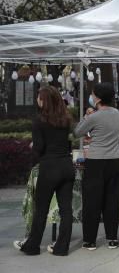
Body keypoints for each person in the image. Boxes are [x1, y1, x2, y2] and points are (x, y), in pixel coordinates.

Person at [14, 86, 75, 256]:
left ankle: (33, 246)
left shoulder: (39, 121)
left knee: (41, 209)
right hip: (67, 166)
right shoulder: (66, 119)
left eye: (39, 97)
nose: (37, 100)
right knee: (66, 210)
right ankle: (62, 248)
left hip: (49, 168)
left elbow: (39, 148)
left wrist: (34, 145)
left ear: (44, 101)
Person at [74, 82, 119, 251]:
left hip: (95, 162)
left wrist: (86, 117)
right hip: (114, 162)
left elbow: (77, 132)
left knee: (92, 201)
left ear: (98, 98)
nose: (91, 97)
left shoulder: (94, 116)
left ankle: (90, 240)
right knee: (111, 201)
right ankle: (112, 239)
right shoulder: (116, 113)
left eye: (93, 94)